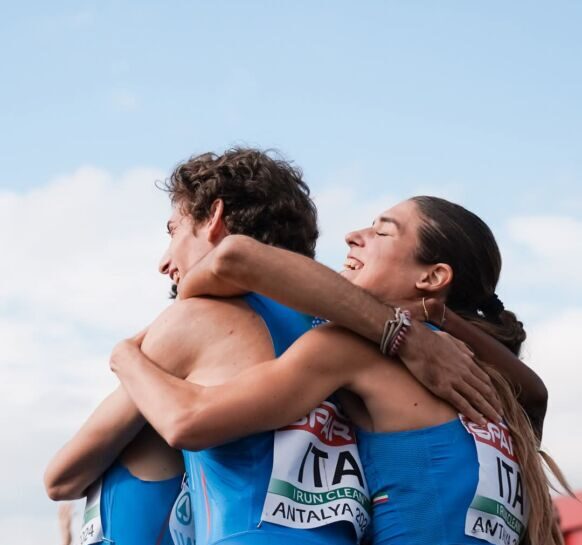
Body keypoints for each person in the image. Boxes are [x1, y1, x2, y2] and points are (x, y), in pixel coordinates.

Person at [45, 150, 493, 545]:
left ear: (215, 217)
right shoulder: (349, 334)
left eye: (174, 229)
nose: (164, 259)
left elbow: (60, 478)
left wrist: (125, 354)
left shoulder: (193, 325)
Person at [110, 196, 560, 545]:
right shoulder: (505, 391)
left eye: (382, 232)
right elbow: (538, 393)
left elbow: (187, 420)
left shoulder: (354, 349)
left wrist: (126, 356)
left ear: (433, 277)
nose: (352, 235)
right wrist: (432, 321)